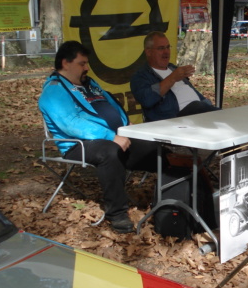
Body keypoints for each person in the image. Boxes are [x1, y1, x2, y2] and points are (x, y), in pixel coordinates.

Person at [39, 41, 158, 234]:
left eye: (87, 63)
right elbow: (71, 123)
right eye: (82, 63)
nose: (87, 68)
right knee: (110, 152)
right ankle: (117, 213)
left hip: (113, 136)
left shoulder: (90, 84)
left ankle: (172, 199)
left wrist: (125, 125)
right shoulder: (53, 91)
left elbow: (111, 104)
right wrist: (111, 136)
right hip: (77, 144)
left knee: (154, 147)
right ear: (65, 63)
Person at [130, 31, 219, 122]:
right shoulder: (140, 76)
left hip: (200, 113)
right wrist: (172, 78)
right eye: (161, 48)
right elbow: (147, 99)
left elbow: (192, 92)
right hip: (174, 121)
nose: (166, 52)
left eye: (168, 47)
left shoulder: (172, 68)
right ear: (148, 52)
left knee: (222, 114)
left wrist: (207, 104)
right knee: (199, 107)